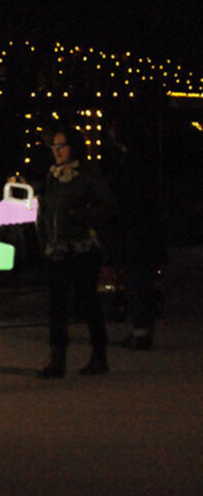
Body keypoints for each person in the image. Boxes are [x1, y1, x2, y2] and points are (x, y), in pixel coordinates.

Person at [36, 129, 116, 378]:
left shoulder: (87, 174)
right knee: (57, 305)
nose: (56, 150)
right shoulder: (53, 175)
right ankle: (57, 357)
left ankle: (99, 355)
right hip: (57, 249)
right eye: (54, 146)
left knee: (88, 301)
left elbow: (108, 205)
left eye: (62, 145)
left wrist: (80, 215)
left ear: (74, 147)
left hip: (81, 249)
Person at [104, 122, 166, 350]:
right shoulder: (141, 160)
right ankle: (142, 329)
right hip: (142, 231)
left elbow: (130, 197)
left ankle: (141, 331)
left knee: (137, 282)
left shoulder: (132, 163)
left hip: (136, 232)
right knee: (139, 281)